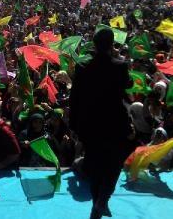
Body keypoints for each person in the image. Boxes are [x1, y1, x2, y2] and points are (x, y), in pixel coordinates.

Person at [70, 28, 134, 219]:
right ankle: (102, 201)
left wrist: (74, 125)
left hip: (90, 125)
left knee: (95, 166)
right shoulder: (120, 66)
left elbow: (75, 99)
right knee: (114, 165)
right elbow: (128, 85)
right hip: (115, 124)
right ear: (112, 43)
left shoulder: (82, 67)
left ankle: (97, 203)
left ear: (94, 44)